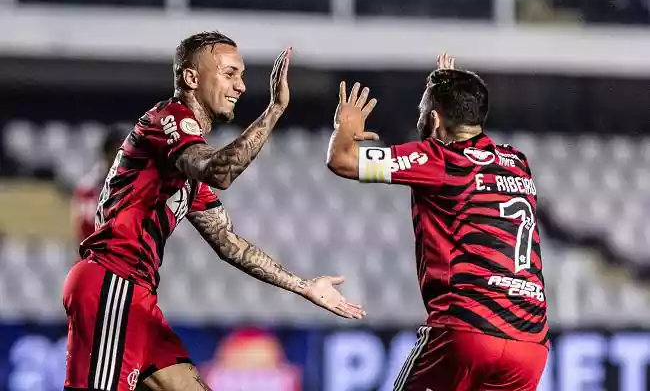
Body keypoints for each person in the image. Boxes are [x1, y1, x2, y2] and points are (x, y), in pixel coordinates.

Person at [63, 31, 365, 391]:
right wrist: (274, 110)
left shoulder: (184, 167)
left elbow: (227, 242)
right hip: (113, 284)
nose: (240, 86)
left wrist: (304, 286)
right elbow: (221, 171)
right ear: (191, 78)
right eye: (229, 74)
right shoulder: (168, 120)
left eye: (241, 76)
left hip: (138, 297)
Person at [326, 54, 548, 391]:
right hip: (529, 345)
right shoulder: (517, 162)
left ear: (433, 119)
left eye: (422, 112)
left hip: (465, 332)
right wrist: (449, 86)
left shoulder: (440, 160)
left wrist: (346, 127)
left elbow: (341, 160)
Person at [71, 126, 126, 245]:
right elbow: (86, 231)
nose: (121, 158)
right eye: (116, 152)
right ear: (106, 153)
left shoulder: (137, 186)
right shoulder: (87, 189)